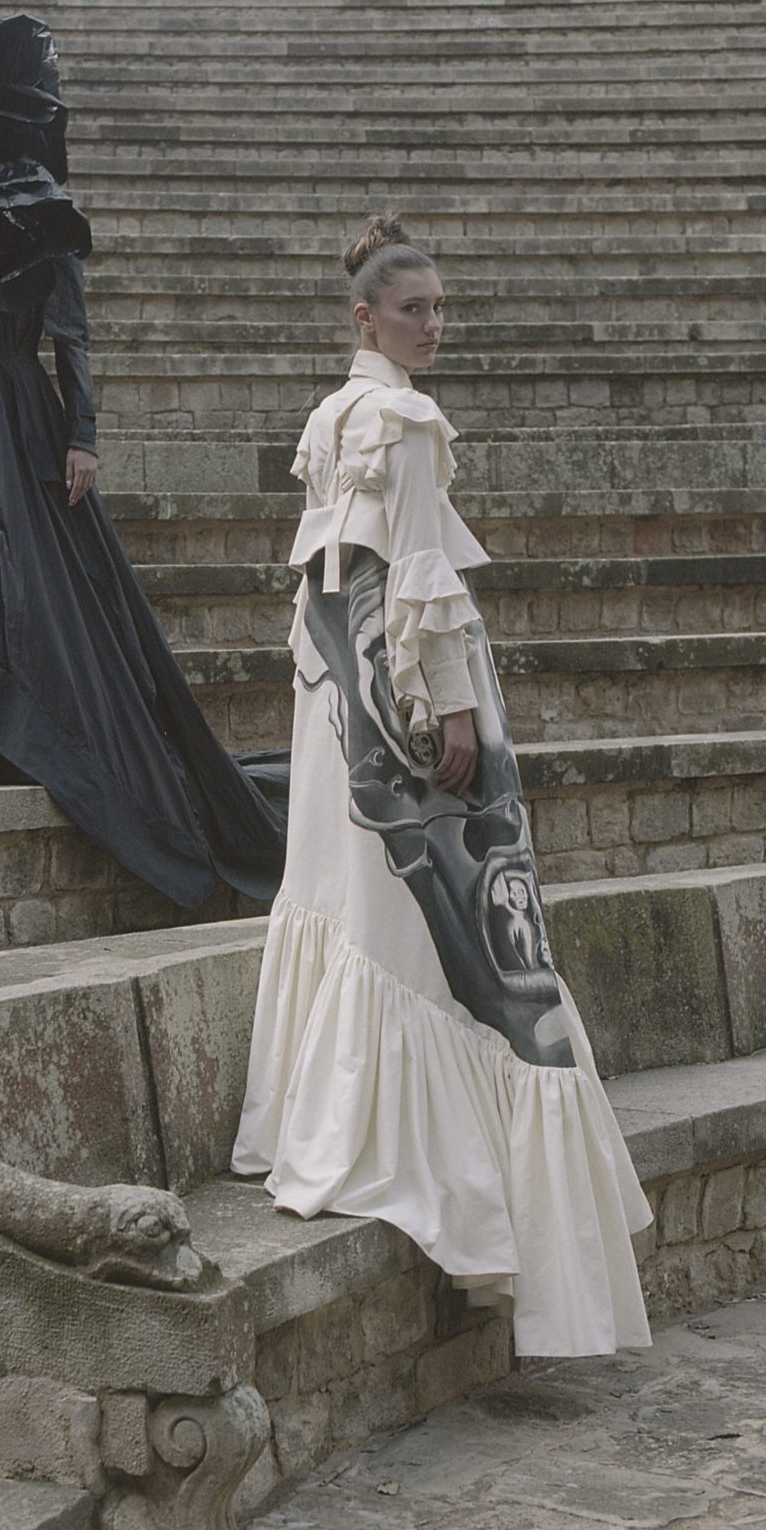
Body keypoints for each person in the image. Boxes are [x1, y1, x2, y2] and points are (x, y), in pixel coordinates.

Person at [231, 213, 652, 1357]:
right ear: (364, 316)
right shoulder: (405, 421)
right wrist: (453, 709)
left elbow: (327, 586)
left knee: (360, 905)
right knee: (450, 927)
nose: (433, 326)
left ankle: (344, 1123)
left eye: (440, 308)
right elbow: (420, 575)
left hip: (340, 709)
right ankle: (444, 1166)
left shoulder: (329, 418)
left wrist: (354, 700)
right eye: (413, 309)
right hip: (413, 701)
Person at [0, 14, 286, 909]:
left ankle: (22, 728)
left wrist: (81, 435)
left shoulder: (42, 213)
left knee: (23, 570)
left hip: (18, 410)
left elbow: (71, 336)